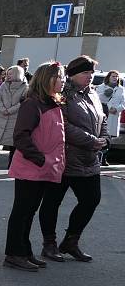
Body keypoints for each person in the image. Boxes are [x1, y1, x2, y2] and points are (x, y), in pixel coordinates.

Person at [38, 55, 107, 263]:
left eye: (91, 73)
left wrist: (104, 138)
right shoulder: (63, 94)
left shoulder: (92, 93)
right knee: (52, 201)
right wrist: (91, 140)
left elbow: (101, 118)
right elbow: (62, 125)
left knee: (91, 199)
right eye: (86, 73)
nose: (90, 77)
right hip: (64, 158)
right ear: (73, 75)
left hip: (88, 158)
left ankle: (71, 241)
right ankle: (49, 244)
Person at [3, 62, 66, 271]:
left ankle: (25, 250)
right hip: (31, 168)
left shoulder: (51, 103)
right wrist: (41, 159)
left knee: (29, 211)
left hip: (42, 168)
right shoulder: (32, 104)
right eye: (59, 76)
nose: (63, 80)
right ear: (47, 79)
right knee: (22, 211)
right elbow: (21, 137)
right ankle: (14, 253)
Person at [0, 66, 28, 168]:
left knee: (12, 142)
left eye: (10, 74)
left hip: (14, 117)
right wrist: (2, 109)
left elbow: (23, 102)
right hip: (1, 115)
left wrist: (10, 110)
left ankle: (11, 162)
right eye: (7, 74)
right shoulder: (4, 85)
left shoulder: (25, 87)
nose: (8, 76)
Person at [96, 70, 124, 166]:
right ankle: (97, 157)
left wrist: (117, 109)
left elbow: (123, 102)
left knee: (109, 138)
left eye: (116, 76)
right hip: (104, 113)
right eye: (113, 76)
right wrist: (108, 107)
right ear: (109, 77)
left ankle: (104, 158)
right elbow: (97, 99)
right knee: (100, 136)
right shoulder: (101, 87)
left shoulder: (121, 89)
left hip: (114, 116)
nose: (115, 78)